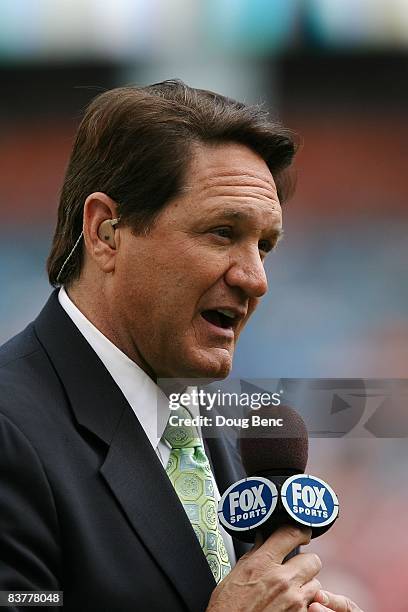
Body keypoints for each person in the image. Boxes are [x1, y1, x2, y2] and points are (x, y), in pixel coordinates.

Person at [0, 80, 362, 611]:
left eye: (264, 246)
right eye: (222, 232)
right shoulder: (11, 432)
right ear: (106, 233)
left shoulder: (217, 436)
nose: (255, 278)